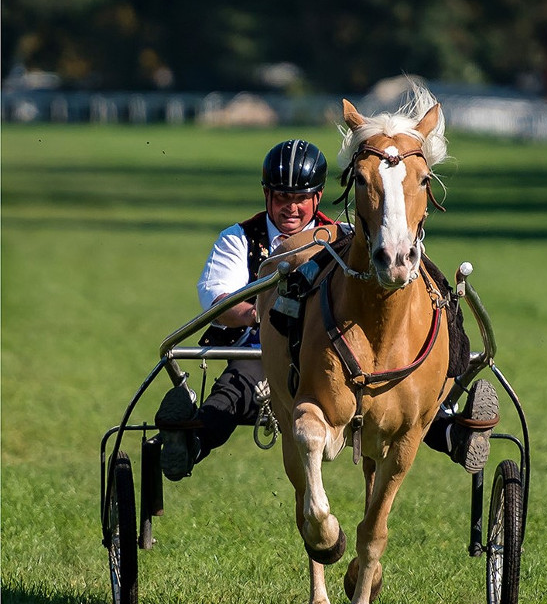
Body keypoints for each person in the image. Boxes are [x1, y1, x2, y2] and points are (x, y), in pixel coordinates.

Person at [153, 139, 500, 480]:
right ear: (267, 194)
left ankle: (454, 434)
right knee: (237, 388)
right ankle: (192, 443)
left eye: (301, 199)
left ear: (317, 197)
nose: (291, 208)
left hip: (328, 354)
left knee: (399, 393)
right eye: (282, 197)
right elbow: (219, 303)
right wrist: (267, 310)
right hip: (257, 348)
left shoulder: (343, 237)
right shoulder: (239, 238)